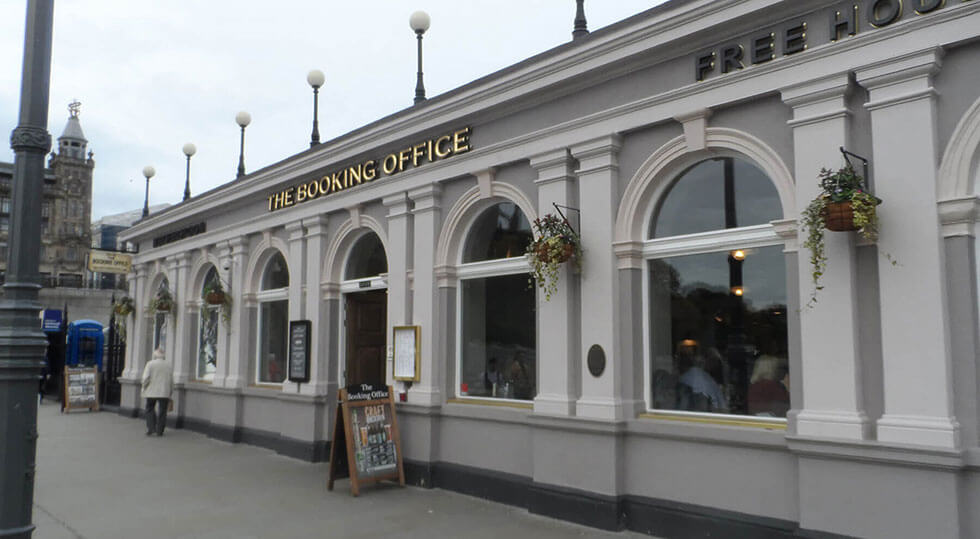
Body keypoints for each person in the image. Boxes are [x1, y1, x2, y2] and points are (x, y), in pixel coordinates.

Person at [141, 348, 174, 436]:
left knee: (149, 408)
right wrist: (170, 391)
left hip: (151, 391)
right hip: (164, 392)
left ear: (154, 355)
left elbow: (145, 378)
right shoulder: (168, 365)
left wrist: (144, 387)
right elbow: (171, 380)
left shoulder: (150, 364)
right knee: (162, 411)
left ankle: (151, 428)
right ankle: (160, 430)